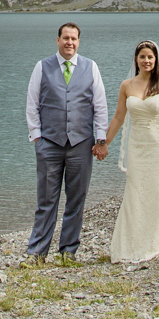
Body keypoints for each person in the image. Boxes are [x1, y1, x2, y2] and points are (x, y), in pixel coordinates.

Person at [25, 22, 109, 260]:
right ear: (58, 40)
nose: (69, 42)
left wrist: (101, 139)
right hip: (49, 144)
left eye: (74, 39)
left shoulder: (91, 67)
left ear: (78, 42)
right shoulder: (42, 67)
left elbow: (100, 106)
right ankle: (37, 253)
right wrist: (37, 137)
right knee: (46, 200)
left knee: (76, 199)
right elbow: (32, 104)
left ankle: (68, 252)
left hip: (81, 144)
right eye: (65, 38)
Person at [104, 40, 159, 262]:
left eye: (150, 57)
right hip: (138, 146)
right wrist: (104, 143)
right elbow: (118, 117)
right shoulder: (126, 85)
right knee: (137, 190)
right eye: (142, 57)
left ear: (156, 60)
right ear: (136, 59)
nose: (146, 61)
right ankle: (136, 241)